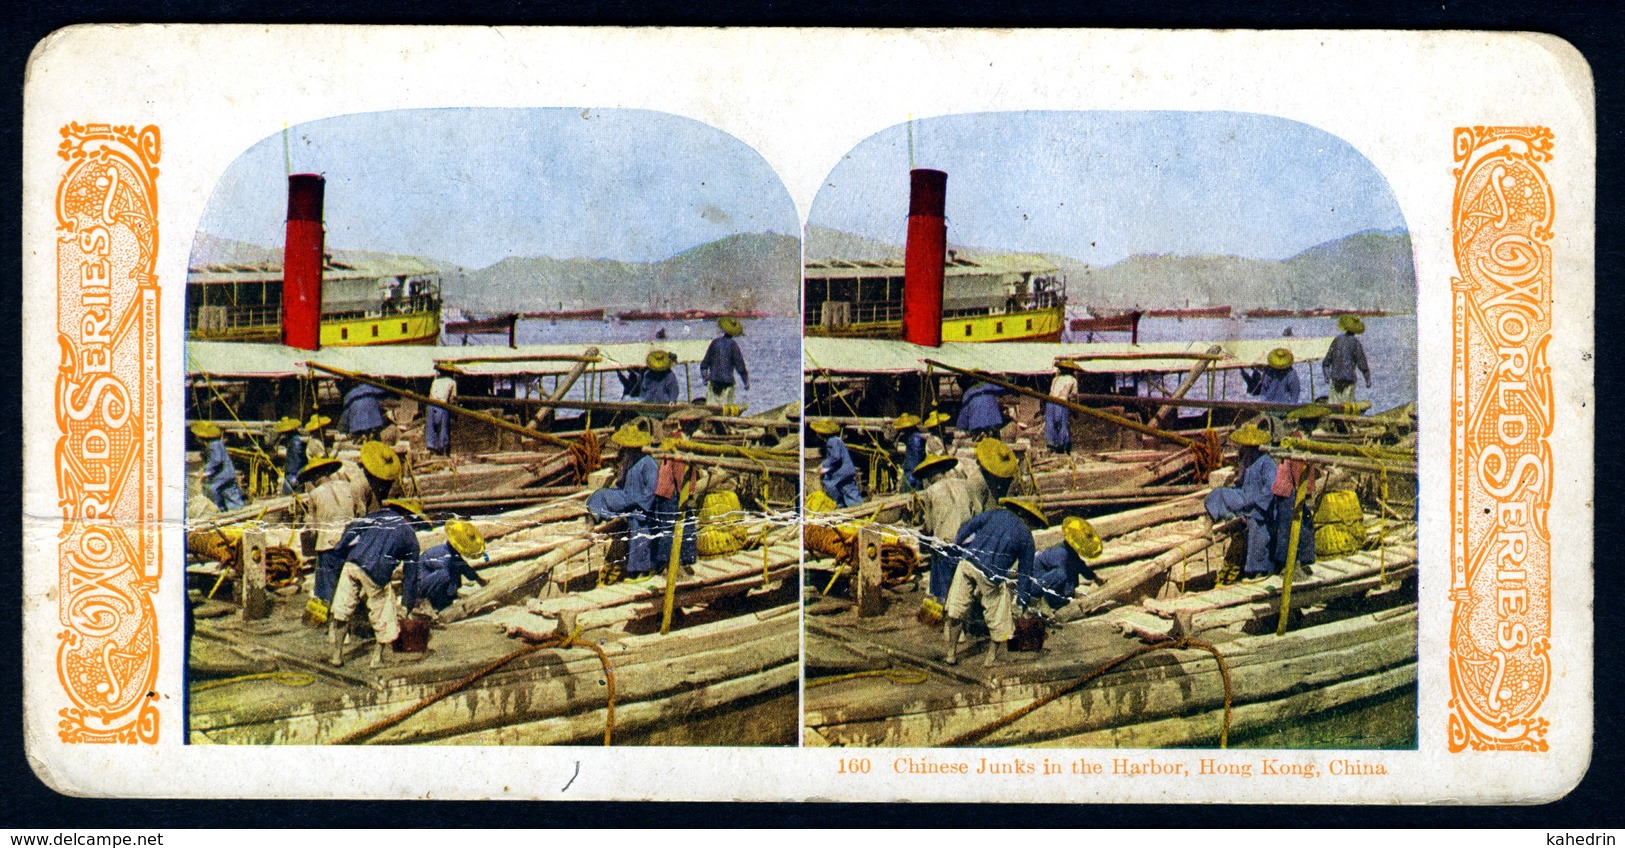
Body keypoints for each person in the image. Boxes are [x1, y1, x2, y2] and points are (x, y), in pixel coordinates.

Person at [300, 440, 401, 618]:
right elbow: (358, 513)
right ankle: (350, 617)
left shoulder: (314, 495)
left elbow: (313, 528)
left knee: (326, 585)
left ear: (315, 477)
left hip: (327, 546)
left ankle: (328, 620)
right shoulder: (347, 486)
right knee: (347, 583)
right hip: (349, 542)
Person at [944, 497, 1046, 667]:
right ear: (1030, 520)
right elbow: (1025, 573)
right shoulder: (1026, 537)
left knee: (956, 608)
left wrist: (957, 545)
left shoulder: (995, 514)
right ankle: (991, 659)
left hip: (968, 562)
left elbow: (968, 526)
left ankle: (951, 654)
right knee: (999, 615)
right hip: (990, 576)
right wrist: (1022, 601)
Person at [328, 497, 429, 668]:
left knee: (342, 610)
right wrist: (406, 605)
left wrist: (340, 548)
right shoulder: (411, 538)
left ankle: (337, 655)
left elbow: (353, 527)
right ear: (412, 517)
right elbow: (411, 576)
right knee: (384, 615)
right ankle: (376, 659)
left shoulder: (379, 515)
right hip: (376, 573)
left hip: (353, 563)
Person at [917, 437, 1016, 606]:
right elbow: (975, 513)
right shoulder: (964, 484)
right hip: (967, 543)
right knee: (963, 587)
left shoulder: (930, 492)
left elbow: (929, 525)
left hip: (945, 544)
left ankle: (942, 615)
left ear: (928, 476)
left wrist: (923, 535)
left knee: (942, 588)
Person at [1203, 425, 1279, 581]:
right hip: (1244, 497)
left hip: (1259, 505)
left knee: (1257, 529)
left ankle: (1258, 570)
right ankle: (1209, 525)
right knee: (1219, 493)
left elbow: (1270, 489)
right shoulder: (1247, 460)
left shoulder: (1267, 462)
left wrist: (1256, 505)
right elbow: (1241, 482)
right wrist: (1234, 488)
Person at [588, 423, 661, 582]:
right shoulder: (628, 461)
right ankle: (594, 517)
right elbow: (621, 482)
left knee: (640, 532)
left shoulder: (649, 463)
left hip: (642, 505)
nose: (628, 450)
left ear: (637, 448)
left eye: (630, 448)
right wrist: (616, 491)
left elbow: (652, 490)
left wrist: (639, 505)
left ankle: (642, 571)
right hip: (627, 497)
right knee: (600, 494)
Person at [1270, 404, 1327, 574]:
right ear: (1309, 423)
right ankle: (1289, 565)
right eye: (1314, 423)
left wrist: (1322, 471)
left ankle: (1304, 561)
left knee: (1305, 525)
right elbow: (1297, 468)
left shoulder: (1306, 438)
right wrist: (1306, 494)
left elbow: (1308, 465)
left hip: (1297, 487)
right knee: (1289, 526)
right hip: (1289, 489)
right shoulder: (1297, 438)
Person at [1018, 516, 1104, 613]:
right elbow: (1060, 575)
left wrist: (1095, 578)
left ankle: (1059, 599)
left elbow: (1082, 567)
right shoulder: (1060, 553)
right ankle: (1039, 602)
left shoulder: (1070, 553)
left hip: (1042, 579)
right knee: (1062, 575)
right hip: (1032, 583)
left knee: (1069, 571)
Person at [650, 416, 700, 572]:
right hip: (670, 492)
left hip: (673, 489)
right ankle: (666, 565)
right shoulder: (678, 442)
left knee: (687, 525)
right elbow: (679, 471)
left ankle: (684, 561)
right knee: (670, 527)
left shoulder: (685, 439)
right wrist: (688, 494)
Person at [412, 519, 490, 616]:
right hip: (419, 586)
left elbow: (466, 569)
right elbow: (446, 576)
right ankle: (423, 602)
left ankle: (441, 602)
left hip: (429, 581)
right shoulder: (444, 555)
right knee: (447, 576)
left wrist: (479, 580)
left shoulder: (453, 555)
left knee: (453, 573)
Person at [192, 421, 246, 511]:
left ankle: (236, 511)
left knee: (228, 494)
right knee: (222, 494)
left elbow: (216, 460)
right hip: (223, 477)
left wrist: (206, 472)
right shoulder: (215, 444)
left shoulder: (214, 445)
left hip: (223, 477)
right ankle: (225, 510)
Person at [810, 419, 863, 508]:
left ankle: (840, 505)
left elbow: (835, 457)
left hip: (842, 472)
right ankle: (855, 507)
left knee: (828, 483)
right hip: (847, 471)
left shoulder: (832, 441)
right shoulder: (837, 440)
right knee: (849, 489)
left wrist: (823, 465)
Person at [1322, 315, 1373, 405]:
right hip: (1348, 381)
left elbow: (1326, 363)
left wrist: (1327, 377)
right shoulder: (1355, 343)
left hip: (1336, 381)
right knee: (1347, 407)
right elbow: (1363, 364)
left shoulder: (1337, 340)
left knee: (1334, 406)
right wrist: (1367, 380)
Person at [700, 316, 749, 407]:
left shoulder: (715, 343)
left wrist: (705, 378)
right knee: (726, 409)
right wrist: (746, 382)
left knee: (712, 407)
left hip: (714, 381)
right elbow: (740, 367)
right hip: (727, 382)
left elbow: (704, 364)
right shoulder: (733, 345)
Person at [1044, 369, 1079, 454]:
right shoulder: (1073, 380)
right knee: (1062, 423)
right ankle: (1062, 445)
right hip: (1061, 402)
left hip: (1050, 402)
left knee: (1050, 424)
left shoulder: (1055, 379)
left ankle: (1051, 446)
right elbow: (1073, 395)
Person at [426, 364, 457, 455]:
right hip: (442, 405)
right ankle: (443, 448)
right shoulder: (452, 382)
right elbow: (453, 398)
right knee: (443, 427)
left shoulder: (435, 381)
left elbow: (430, 394)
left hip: (431, 405)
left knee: (431, 427)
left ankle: (431, 448)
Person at [893, 413, 927, 492]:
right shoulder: (911, 437)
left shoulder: (915, 438)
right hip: (910, 471)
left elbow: (917, 457)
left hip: (913, 473)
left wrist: (914, 474)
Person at [271, 416, 305, 495]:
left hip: (294, 473)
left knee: (291, 495)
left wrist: (295, 477)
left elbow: (297, 460)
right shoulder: (291, 441)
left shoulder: (295, 442)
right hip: (290, 472)